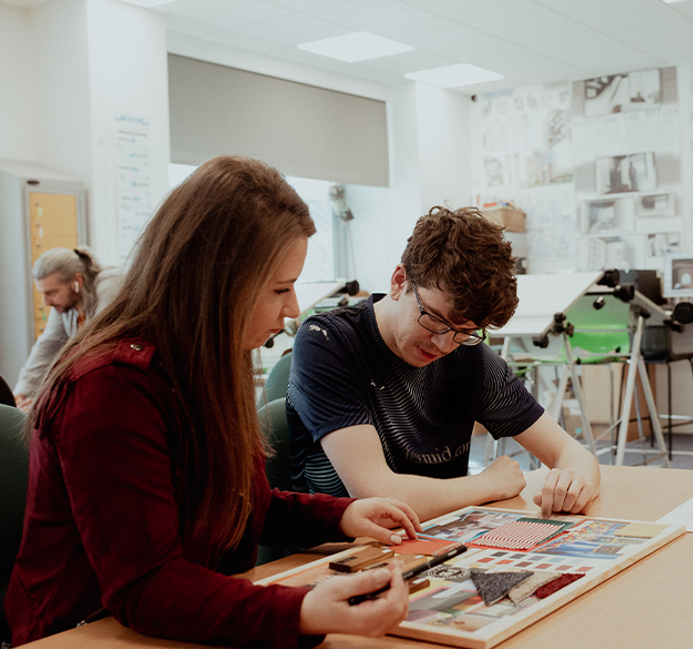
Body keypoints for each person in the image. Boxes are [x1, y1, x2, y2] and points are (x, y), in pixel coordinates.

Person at [5, 156, 423, 649]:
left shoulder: (208, 359)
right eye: (280, 289)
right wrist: (303, 611)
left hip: (176, 618)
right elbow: (145, 586)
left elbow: (235, 506)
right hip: (82, 633)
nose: (292, 311)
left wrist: (338, 516)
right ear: (216, 283)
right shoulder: (109, 389)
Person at [288, 206, 601, 522]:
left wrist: (575, 480)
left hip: (437, 540)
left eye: (464, 332)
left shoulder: (468, 355)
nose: (443, 345)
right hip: (341, 555)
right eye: (435, 321)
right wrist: (487, 484)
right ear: (399, 281)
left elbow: (571, 452)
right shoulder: (328, 341)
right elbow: (377, 497)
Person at [12, 246, 123, 412]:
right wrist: (20, 394)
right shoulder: (66, 302)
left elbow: (97, 349)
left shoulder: (111, 284)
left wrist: (47, 400)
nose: (46, 302)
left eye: (52, 292)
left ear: (77, 281)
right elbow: (47, 346)